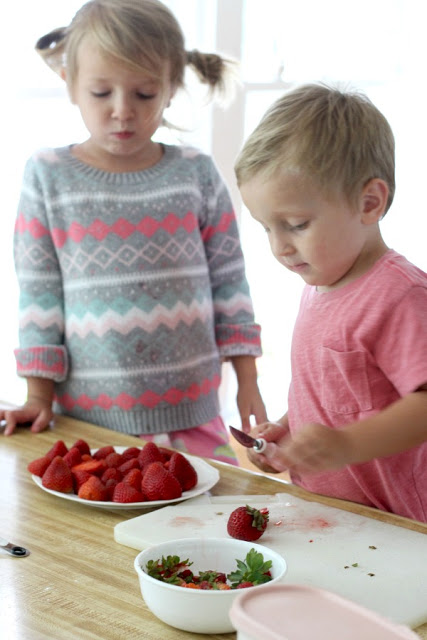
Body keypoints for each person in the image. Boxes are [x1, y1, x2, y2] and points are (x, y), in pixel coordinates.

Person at [1, 0, 267, 464]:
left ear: (169, 89)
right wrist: (38, 397)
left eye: (143, 94)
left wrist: (248, 381)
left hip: (194, 416)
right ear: (70, 85)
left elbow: (230, 282)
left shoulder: (197, 173)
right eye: (102, 93)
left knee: (198, 527)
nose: (122, 111)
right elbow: (39, 296)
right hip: (89, 423)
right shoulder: (47, 175)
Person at [234, 83, 427, 520]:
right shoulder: (320, 286)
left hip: (394, 523)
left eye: (296, 224)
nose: (279, 246)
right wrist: (288, 430)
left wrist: (346, 446)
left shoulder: (398, 295)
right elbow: (339, 392)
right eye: (267, 228)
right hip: (327, 512)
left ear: (369, 203)